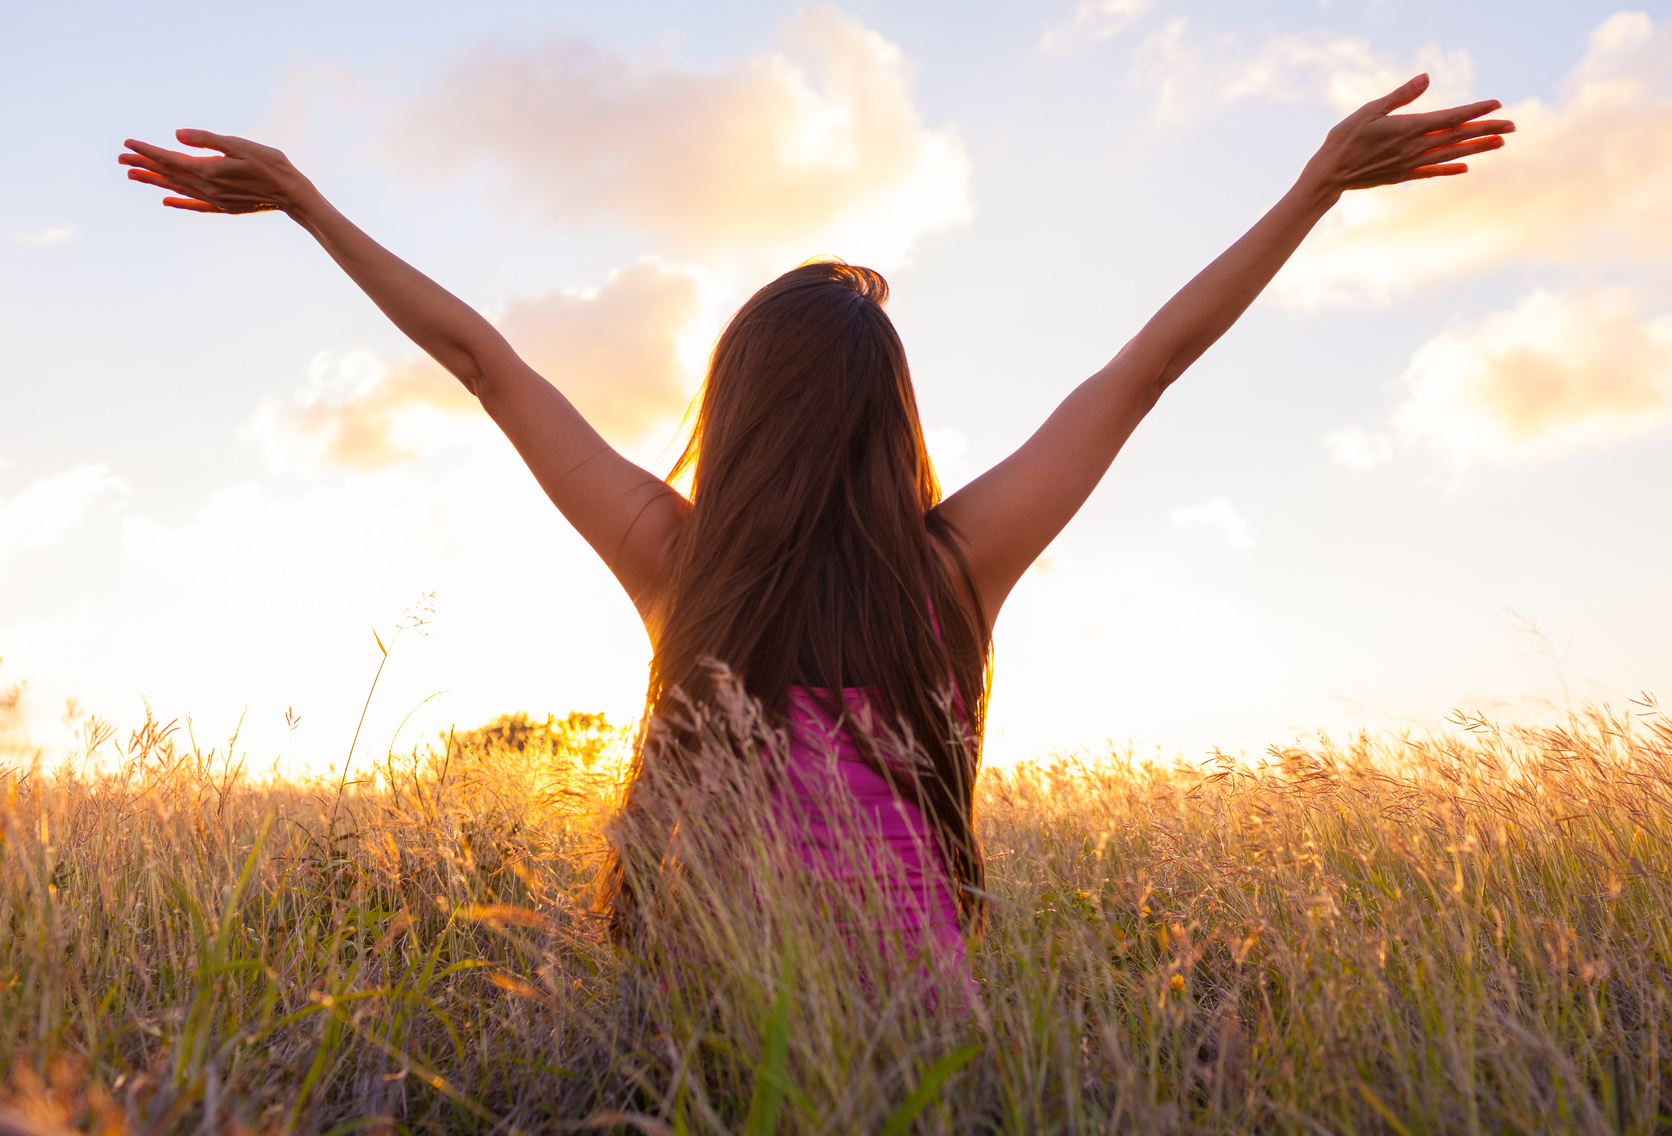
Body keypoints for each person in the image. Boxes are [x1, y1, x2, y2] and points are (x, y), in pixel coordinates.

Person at [121, 73, 1513, 975]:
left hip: (714, 1023)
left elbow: (487, 363)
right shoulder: (956, 574)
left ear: (734, 408)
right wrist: (1313, 190)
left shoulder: (679, 568)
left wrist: (311, 206)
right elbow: (1142, 371)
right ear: (887, 418)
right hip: (923, 1047)